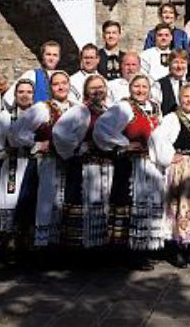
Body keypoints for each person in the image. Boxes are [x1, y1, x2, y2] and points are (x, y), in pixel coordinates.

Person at [94, 74, 166, 270]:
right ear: (130, 88)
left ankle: (142, 250)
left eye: (144, 87)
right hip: (130, 165)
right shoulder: (124, 107)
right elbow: (101, 129)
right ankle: (125, 254)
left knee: (146, 207)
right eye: (137, 86)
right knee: (128, 206)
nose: (141, 90)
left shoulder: (154, 107)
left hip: (150, 166)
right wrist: (124, 144)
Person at [9, 71, 74, 247]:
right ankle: (42, 247)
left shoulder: (75, 108)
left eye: (64, 83)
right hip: (47, 163)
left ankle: (62, 246)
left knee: (65, 204)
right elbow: (16, 133)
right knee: (44, 203)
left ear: (69, 85)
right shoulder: (42, 108)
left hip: (70, 164)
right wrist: (37, 144)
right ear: (50, 88)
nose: (61, 87)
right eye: (56, 84)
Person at [52, 75, 113, 249]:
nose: (97, 91)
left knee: (102, 207)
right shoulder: (80, 110)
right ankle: (79, 250)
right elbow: (59, 133)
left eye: (100, 87)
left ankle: (99, 248)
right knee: (83, 206)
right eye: (93, 88)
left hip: (106, 165)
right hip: (85, 167)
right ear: (86, 91)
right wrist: (80, 146)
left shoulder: (108, 110)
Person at [151, 83, 190, 268]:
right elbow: (158, 137)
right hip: (180, 167)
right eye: (186, 97)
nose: (189, 100)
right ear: (179, 99)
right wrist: (169, 156)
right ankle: (175, 248)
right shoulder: (172, 118)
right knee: (178, 207)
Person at [0, 79, 35, 243]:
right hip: (13, 165)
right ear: (15, 95)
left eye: (29, 92)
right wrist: (2, 152)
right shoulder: (6, 116)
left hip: (36, 164)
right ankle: (9, 241)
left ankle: (30, 243)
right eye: (21, 92)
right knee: (10, 200)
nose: (25, 95)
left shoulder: (41, 115)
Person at [4, 40, 61, 108]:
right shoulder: (31, 74)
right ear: (42, 56)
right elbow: (8, 99)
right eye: (48, 54)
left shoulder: (64, 78)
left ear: (59, 58)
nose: (51, 58)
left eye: (55, 55)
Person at [151, 50, 189, 116]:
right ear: (169, 64)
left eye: (182, 63)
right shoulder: (159, 85)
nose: (179, 66)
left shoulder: (189, 85)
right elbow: (156, 112)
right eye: (176, 62)